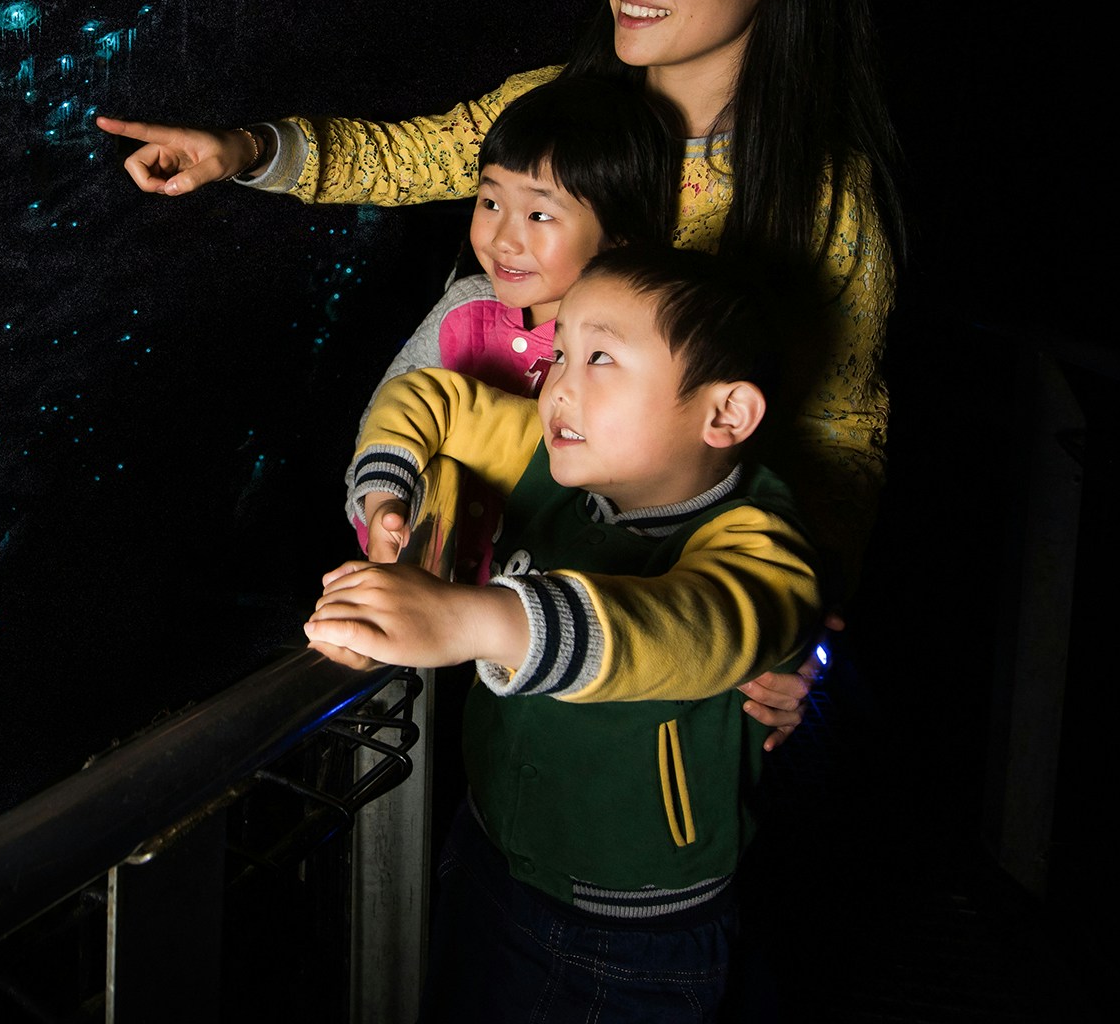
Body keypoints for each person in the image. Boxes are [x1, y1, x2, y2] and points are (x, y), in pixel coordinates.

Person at [100, 0, 896, 736]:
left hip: (673, 591)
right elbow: (406, 155)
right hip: (498, 565)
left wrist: (806, 618)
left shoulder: (822, 198)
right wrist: (241, 151)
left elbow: (842, 429)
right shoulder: (557, 107)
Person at [305, 246, 819, 1021]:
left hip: (626, 930)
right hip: (490, 844)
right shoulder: (562, 461)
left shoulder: (760, 544)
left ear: (725, 414)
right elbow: (431, 398)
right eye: (561, 353)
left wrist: (471, 619)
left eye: (601, 358)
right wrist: (387, 498)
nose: (555, 386)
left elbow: (685, 625)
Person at [351, 74, 681, 577]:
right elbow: (386, 412)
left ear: (621, 237)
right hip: (430, 578)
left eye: (540, 215)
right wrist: (383, 509)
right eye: (491, 203)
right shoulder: (462, 307)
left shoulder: (631, 343)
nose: (504, 238)